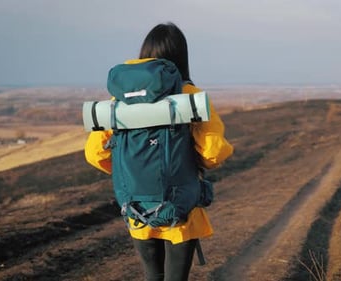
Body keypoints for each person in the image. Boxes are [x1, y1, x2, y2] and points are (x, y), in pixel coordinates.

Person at [84, 22, 233, 281]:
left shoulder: (118, 104)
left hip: (137, 207)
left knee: (153, 276)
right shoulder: (191, 97)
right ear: (181, 57)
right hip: (181, 209)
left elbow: (95, 153)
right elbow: (213, 153)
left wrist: (131, 171)